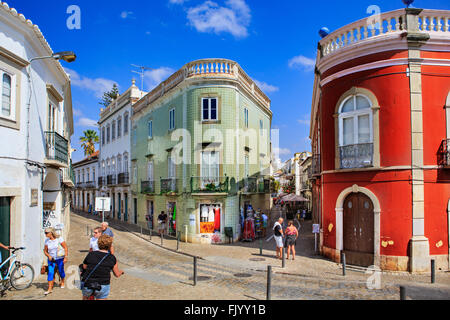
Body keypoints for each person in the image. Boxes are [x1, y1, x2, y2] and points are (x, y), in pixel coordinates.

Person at [81, 235, 124, 300]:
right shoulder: (112, 258)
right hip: (103, 284)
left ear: (98, 244)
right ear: (110, 246)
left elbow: (84, 266)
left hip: (89, 283)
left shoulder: (91, 254)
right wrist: (122, 272)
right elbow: (117, 274)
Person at [43, 228, 68, 295]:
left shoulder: (59, 239)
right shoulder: (47, 241)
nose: (45, 234)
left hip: (60, 258)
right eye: (45, 232)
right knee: (50, 272)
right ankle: (50, 288)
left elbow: (65, 247)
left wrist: (65, 257)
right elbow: (45, 251)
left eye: (46, 233)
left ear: (51, 233)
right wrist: (48, 256)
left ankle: (62, 281)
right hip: (51, 259)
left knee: (60, 271)